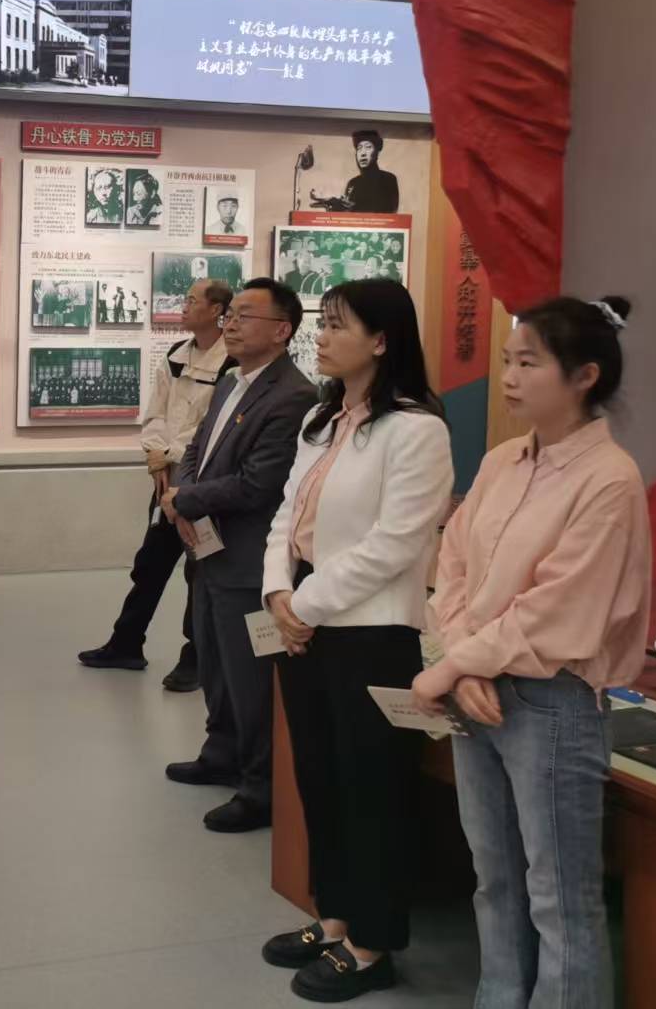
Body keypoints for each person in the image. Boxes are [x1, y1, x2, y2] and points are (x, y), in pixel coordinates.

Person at [415, 296, 649, 1009]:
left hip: (553, 703)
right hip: (477, 689)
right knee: (494, 878)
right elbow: (453, 564)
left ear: (584, 375)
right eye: (507, 360)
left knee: (559, 895)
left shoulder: (609, 477)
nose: (510, 377)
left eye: (529, 362)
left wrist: (456, 664)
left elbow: (558, 608)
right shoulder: (501, 461)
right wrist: (462, 661)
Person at [258, 280, 453, 1002]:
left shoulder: (417, 430)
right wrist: (277, 591)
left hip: (371, 633)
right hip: (304, 622)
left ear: (381, 340)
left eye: (338, 325)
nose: (323, 334)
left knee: (373, 791)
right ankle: (334, 918)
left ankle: (372, 945)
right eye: (324, 322)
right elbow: (287, 514)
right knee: (321, 778)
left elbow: (396, 543)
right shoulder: (323, 419)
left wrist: (303, 604)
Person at [161, 278, 317, 832]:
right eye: (231, 313)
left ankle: (260, 788)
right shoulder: (231, 381)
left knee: (251, 680)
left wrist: (185, 500)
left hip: (250, 562)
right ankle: (220, 752)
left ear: (282, 330)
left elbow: (259, 483)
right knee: (214, 663)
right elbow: (197, 450)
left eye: (245, 315)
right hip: (208, 551)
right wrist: (181, 493)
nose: (230, 323)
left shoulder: (294, 396)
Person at [79, 278, 232, 689]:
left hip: (202, 484)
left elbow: (212, 427)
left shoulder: (231, 364)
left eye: (192, 300)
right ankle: (126, 642)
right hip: (165, 480)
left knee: (200, 572)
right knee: (150, 565)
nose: (184, 306)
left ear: (216, 310)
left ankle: (196, 657)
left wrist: (171, 454)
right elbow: (157, 411)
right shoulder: (176, 354)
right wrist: (155, 451)